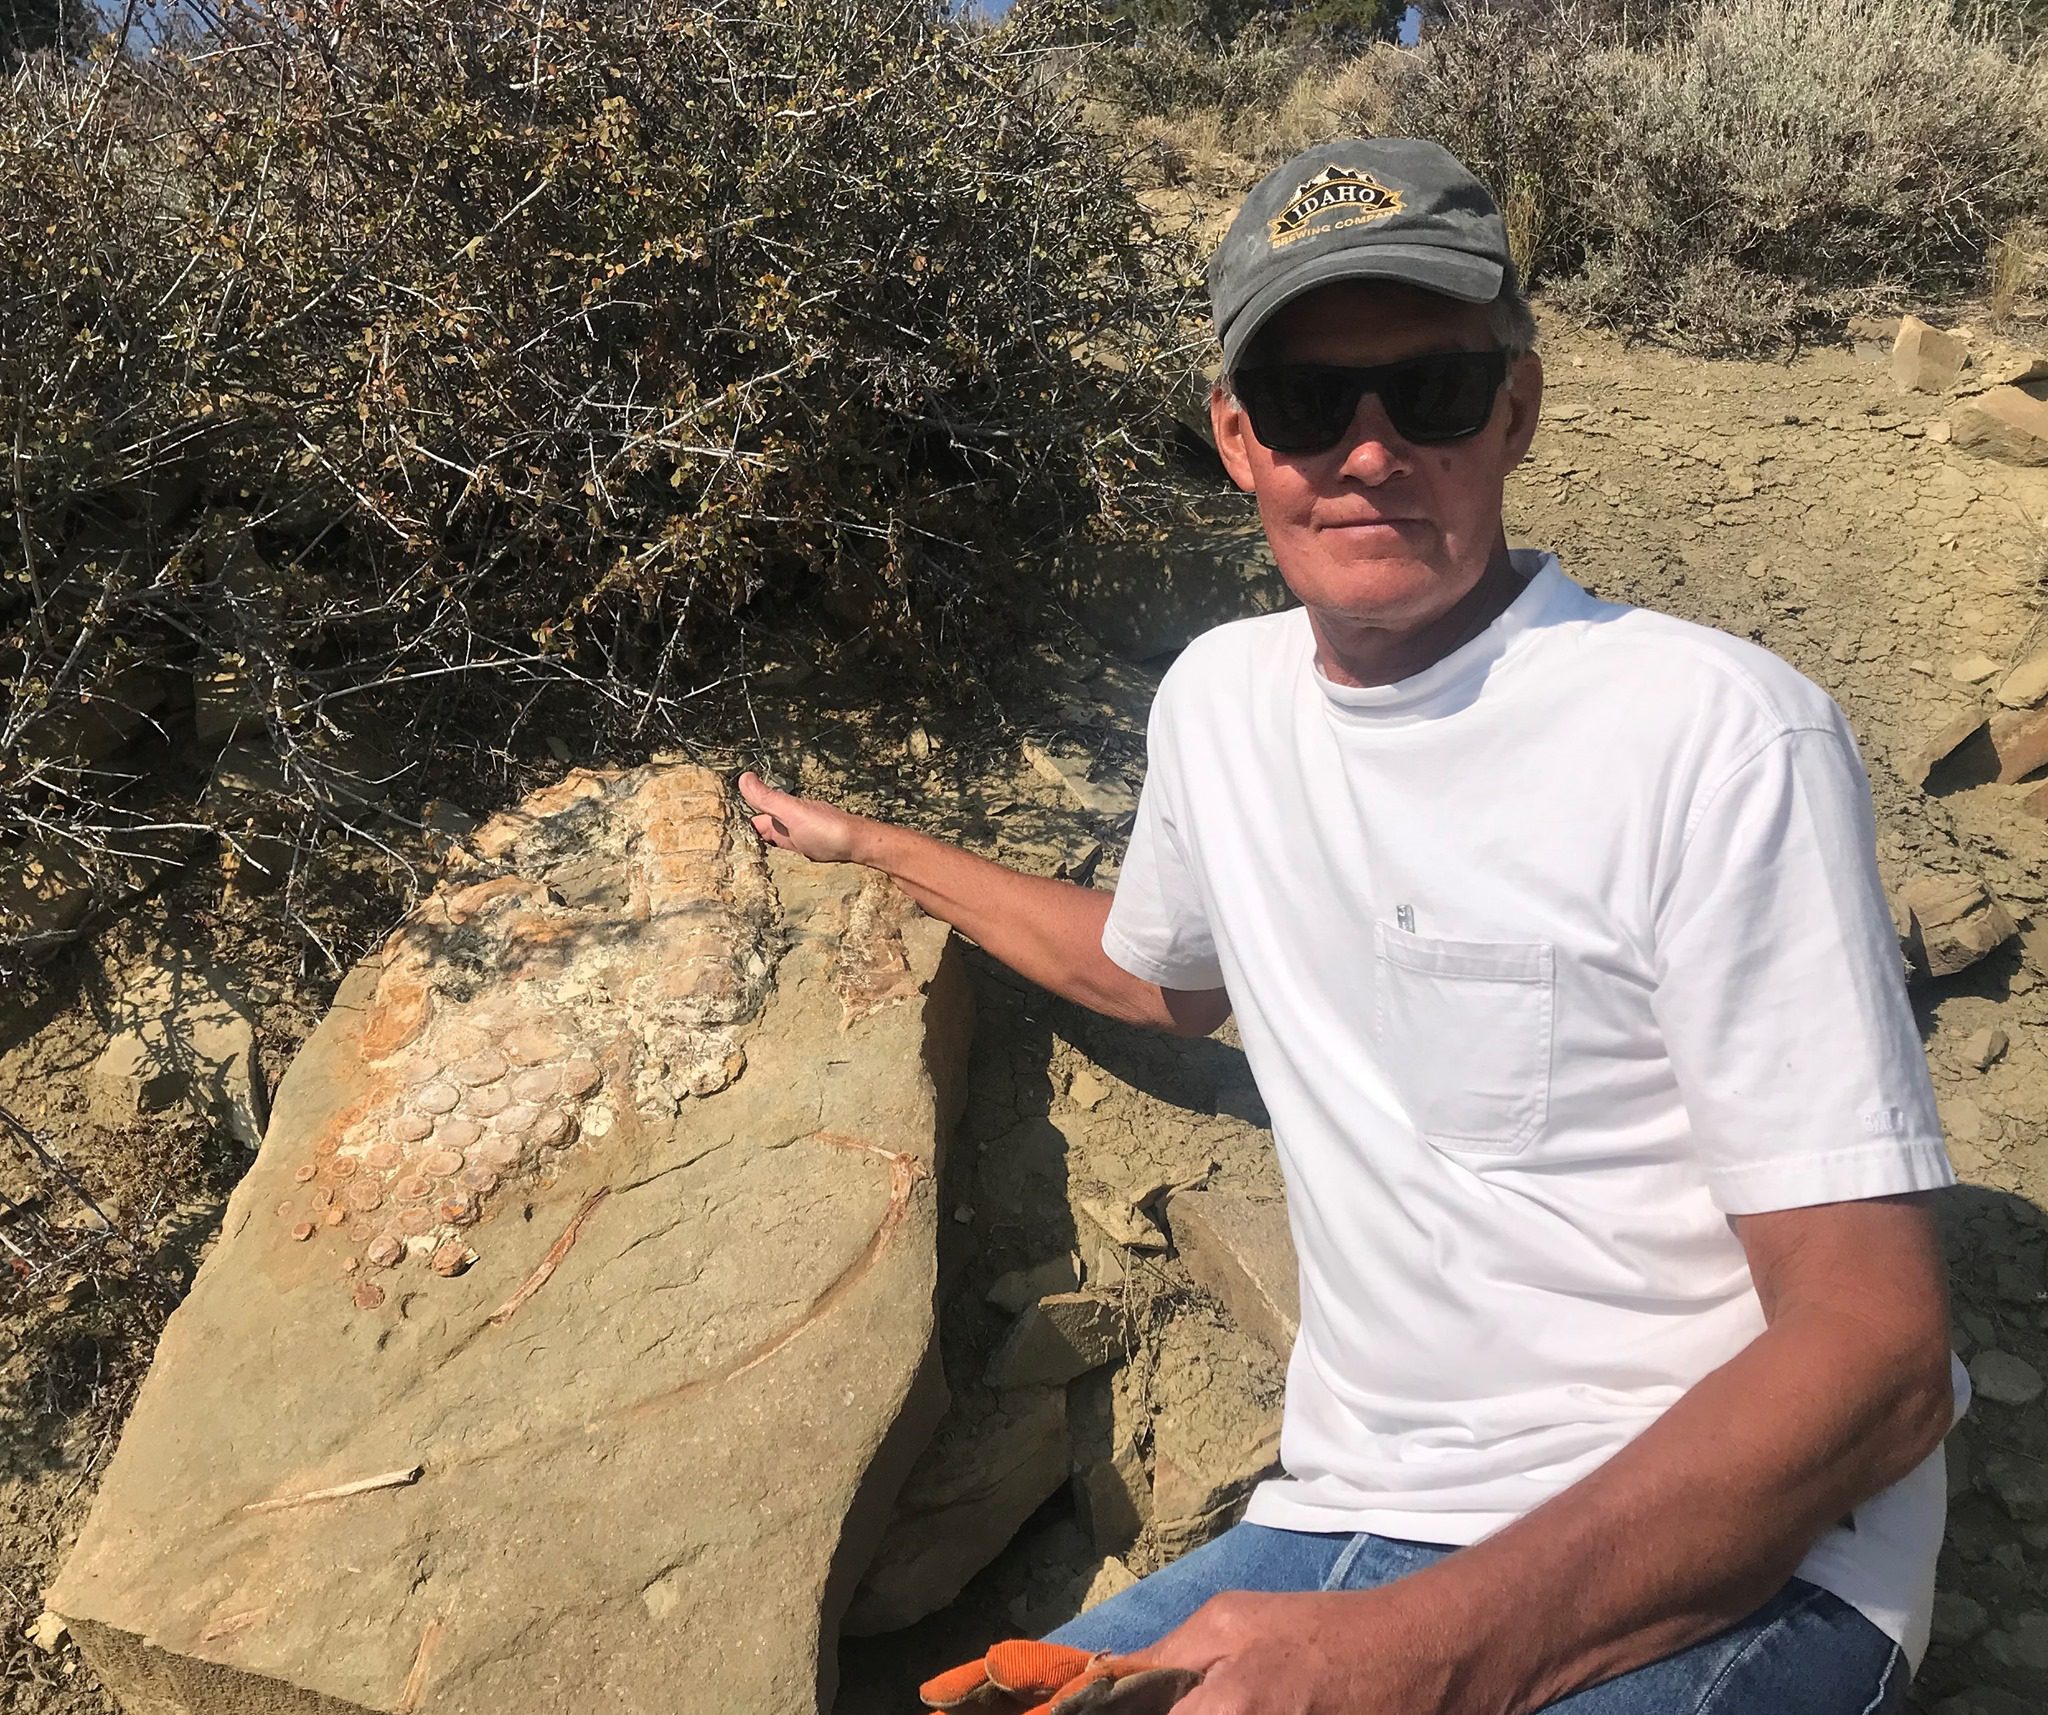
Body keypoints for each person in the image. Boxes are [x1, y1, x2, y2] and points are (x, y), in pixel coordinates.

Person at [738, 137, 1962, 1714]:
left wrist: (1419, 1660)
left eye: (1432, 394)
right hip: (1343, 1523)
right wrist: (883, 848)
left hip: (1737, 1559)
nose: (1369, 453)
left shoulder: (1714, 734)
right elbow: (1155, 972)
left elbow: (1878, 1359)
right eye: (1313, 406)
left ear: (1515, 410)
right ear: (1241, 441)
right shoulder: (1222, 702)